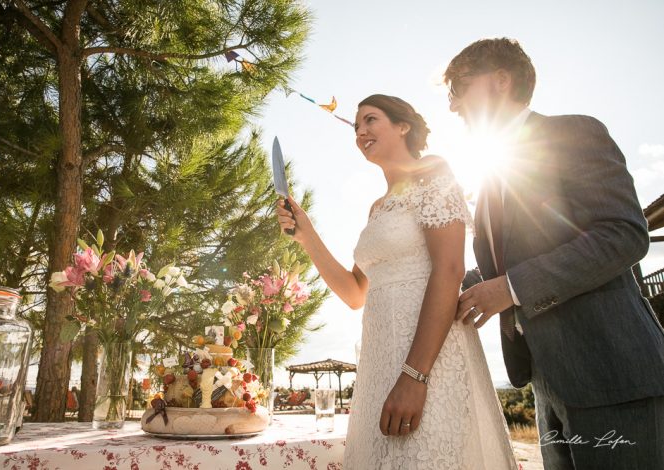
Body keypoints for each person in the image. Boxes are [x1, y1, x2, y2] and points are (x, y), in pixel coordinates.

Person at [447, 38, 664, 469]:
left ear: (500, 81)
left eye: (459, 89)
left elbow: (623, 234)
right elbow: (499, 265)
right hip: (547, 385)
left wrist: (511, 289)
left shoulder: (575, 132)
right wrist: (434, 282)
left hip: (613, 377)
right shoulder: (491, 175)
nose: (453, 106)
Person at [277, 94, 517, 469]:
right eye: (356, 126)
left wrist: (415, 376)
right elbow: (356, 293)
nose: (360, 131)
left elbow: (450, 269)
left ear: (403, 126)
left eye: (370, 120)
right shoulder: (377, 207)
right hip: (379, 362)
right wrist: (307, 235)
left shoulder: (434, 173)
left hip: (428, 361)